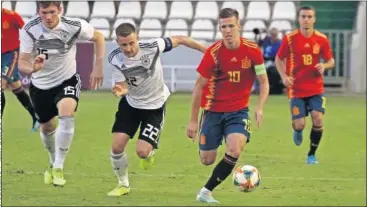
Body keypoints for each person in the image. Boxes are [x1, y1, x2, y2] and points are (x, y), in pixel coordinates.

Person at [106, 23, 207, 196]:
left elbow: (181, 39)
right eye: (124, 45)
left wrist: (208, 51)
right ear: (117, 42)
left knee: (142, 152)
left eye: (131, 43)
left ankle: (149, 152)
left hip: (155, 106)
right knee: (116, 147)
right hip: (131, 104)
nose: (128, 48)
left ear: (137, 37)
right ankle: (123, 184)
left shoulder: (152, 47)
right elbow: (121, 84)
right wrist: (121, 89)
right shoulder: (115, 58)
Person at [186, 8, 270, 203]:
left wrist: (260, 107)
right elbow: (198, 86)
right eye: (223, 27)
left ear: (238, 26)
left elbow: (264, 82)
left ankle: (206, 191)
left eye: (231, 26)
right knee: (207, 159)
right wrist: (192, 121)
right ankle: (209, 147)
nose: (227, 30)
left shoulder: (252, 50)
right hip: (213, 112)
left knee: (234, 149)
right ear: (220, 29)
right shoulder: (213, 54)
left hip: (238, 112)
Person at [18, 1, 105, 186]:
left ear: (60, 10)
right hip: (40, 85)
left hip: (67, 79)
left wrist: (98, 65)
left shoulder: (74, 26)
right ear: (37, 11)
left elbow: (98, 37)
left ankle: (59, 166)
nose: (48, 17)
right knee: (47, 127)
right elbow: (22, 63)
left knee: (67, 113)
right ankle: (52, 160)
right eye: (44, 13)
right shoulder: (29, 29)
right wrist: (33, 67)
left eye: (52, 12)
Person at [275, 6, 335, 164]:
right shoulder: (290, 38)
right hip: (296, 89)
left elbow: (331, 60)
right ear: (299, 18)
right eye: (303, 16)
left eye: (309, 16)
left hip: (315, 88)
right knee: (300, 124)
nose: (306, 19)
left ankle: (311, 155)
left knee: (318, 119)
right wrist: (284, 76)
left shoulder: (321, 39)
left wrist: (325, 66)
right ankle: (297, 129)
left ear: (314, 19)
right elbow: (278, 59)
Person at [1, 8, 39, 131]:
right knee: (16, 88)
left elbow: (27, 31)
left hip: (10, 55)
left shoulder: (12, 16)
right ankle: (36, 117)